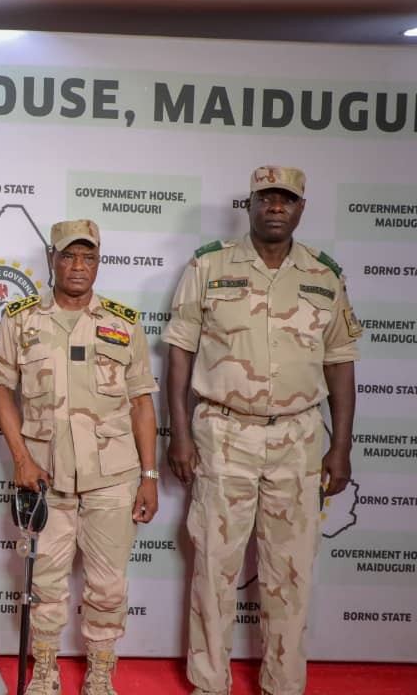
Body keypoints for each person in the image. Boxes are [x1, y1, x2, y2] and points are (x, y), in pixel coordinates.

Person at [163, 166, 361, 695]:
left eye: (287, 199)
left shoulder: (325, 276)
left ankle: (284, 684)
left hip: (297, 439)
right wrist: (178, 434)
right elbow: (179, 354)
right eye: (266, 198)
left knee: (290, 572)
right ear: (248, 204)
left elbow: (340, 362)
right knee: (213, 566)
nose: (276, 207)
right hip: (222, 433)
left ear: (301, 207)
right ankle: (209, 683)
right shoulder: (208, 265)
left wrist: (340, 446)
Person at [0, 219, 159, 695]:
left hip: (113, 477)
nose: (78, 266)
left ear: (99, 261)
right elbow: (1, 390)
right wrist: (21, 457)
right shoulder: (21, 320)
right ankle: (44, 669)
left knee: (108, 585)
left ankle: (101, 670)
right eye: (68, 256)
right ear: (52, 260)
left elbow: (143, 402)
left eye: (88, 257)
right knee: (44, 581)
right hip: (45, 477)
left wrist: (149, 474)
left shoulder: (123, 322)